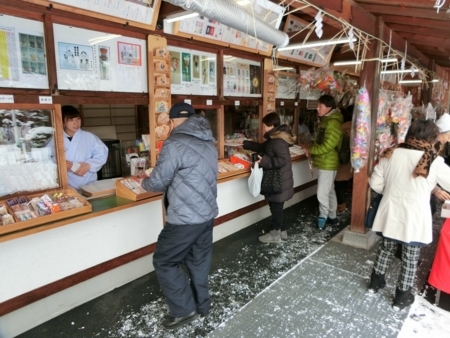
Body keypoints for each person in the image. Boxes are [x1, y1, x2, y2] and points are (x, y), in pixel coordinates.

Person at [140, 102, 218, 330]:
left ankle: (184, 310)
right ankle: (203, 306)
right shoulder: (208, 141)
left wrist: (142, 181)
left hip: (184, 218)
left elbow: (157, 181)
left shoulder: (174, 143)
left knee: (164, 261)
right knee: (199, 262)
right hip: (206, 214)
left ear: (173, 122)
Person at [368, 119, 450, 311]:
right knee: (410, 256)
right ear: (431, 138)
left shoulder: (391, 153)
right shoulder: (433, 160)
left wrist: (390, 191)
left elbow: (375, 183)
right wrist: (430, 187)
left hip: (390, 211)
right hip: (414, 217)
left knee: (385, 248)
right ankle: (402, 296)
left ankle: (375, 283)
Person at [243, 112, 296, 243]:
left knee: (276, 208)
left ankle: (274, 235)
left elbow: (283, 160)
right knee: (277, 207)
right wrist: (246, 144)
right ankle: (282, 232)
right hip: (280, 180)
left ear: (271, 125)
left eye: (265, 126)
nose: (263, 129)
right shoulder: (275, 138)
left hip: (278, 181)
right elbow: (263, 147)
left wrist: (264, 161)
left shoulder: (277, 141)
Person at [303, 95, 343, 229]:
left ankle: (323, 216)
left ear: (329, 107)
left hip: (328, 162)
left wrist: (312, 149)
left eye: (320, 106)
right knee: (329, 190)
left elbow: (327, 146)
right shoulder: (327, 120)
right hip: (326, 161)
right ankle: (332, 215)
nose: (317, 109)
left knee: (322, 192)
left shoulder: (332, 123)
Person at [61, 105, 108, 191]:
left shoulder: (89, 137)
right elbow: (48, 159)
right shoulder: (57, 139)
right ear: (63, 122)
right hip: (67, 185)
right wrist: (61, 165)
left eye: (78, 119)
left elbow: (102, 153)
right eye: (71, 120)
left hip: (89, 183)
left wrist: (89, 165)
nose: (76, 123)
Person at [335, 105, 354, 213]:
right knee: (344, 181)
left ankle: (341, 204)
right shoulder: (354, 127)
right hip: (351, 160)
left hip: (343, 160)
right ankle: (345, 203)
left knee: (339, 182)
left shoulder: (342, 130)